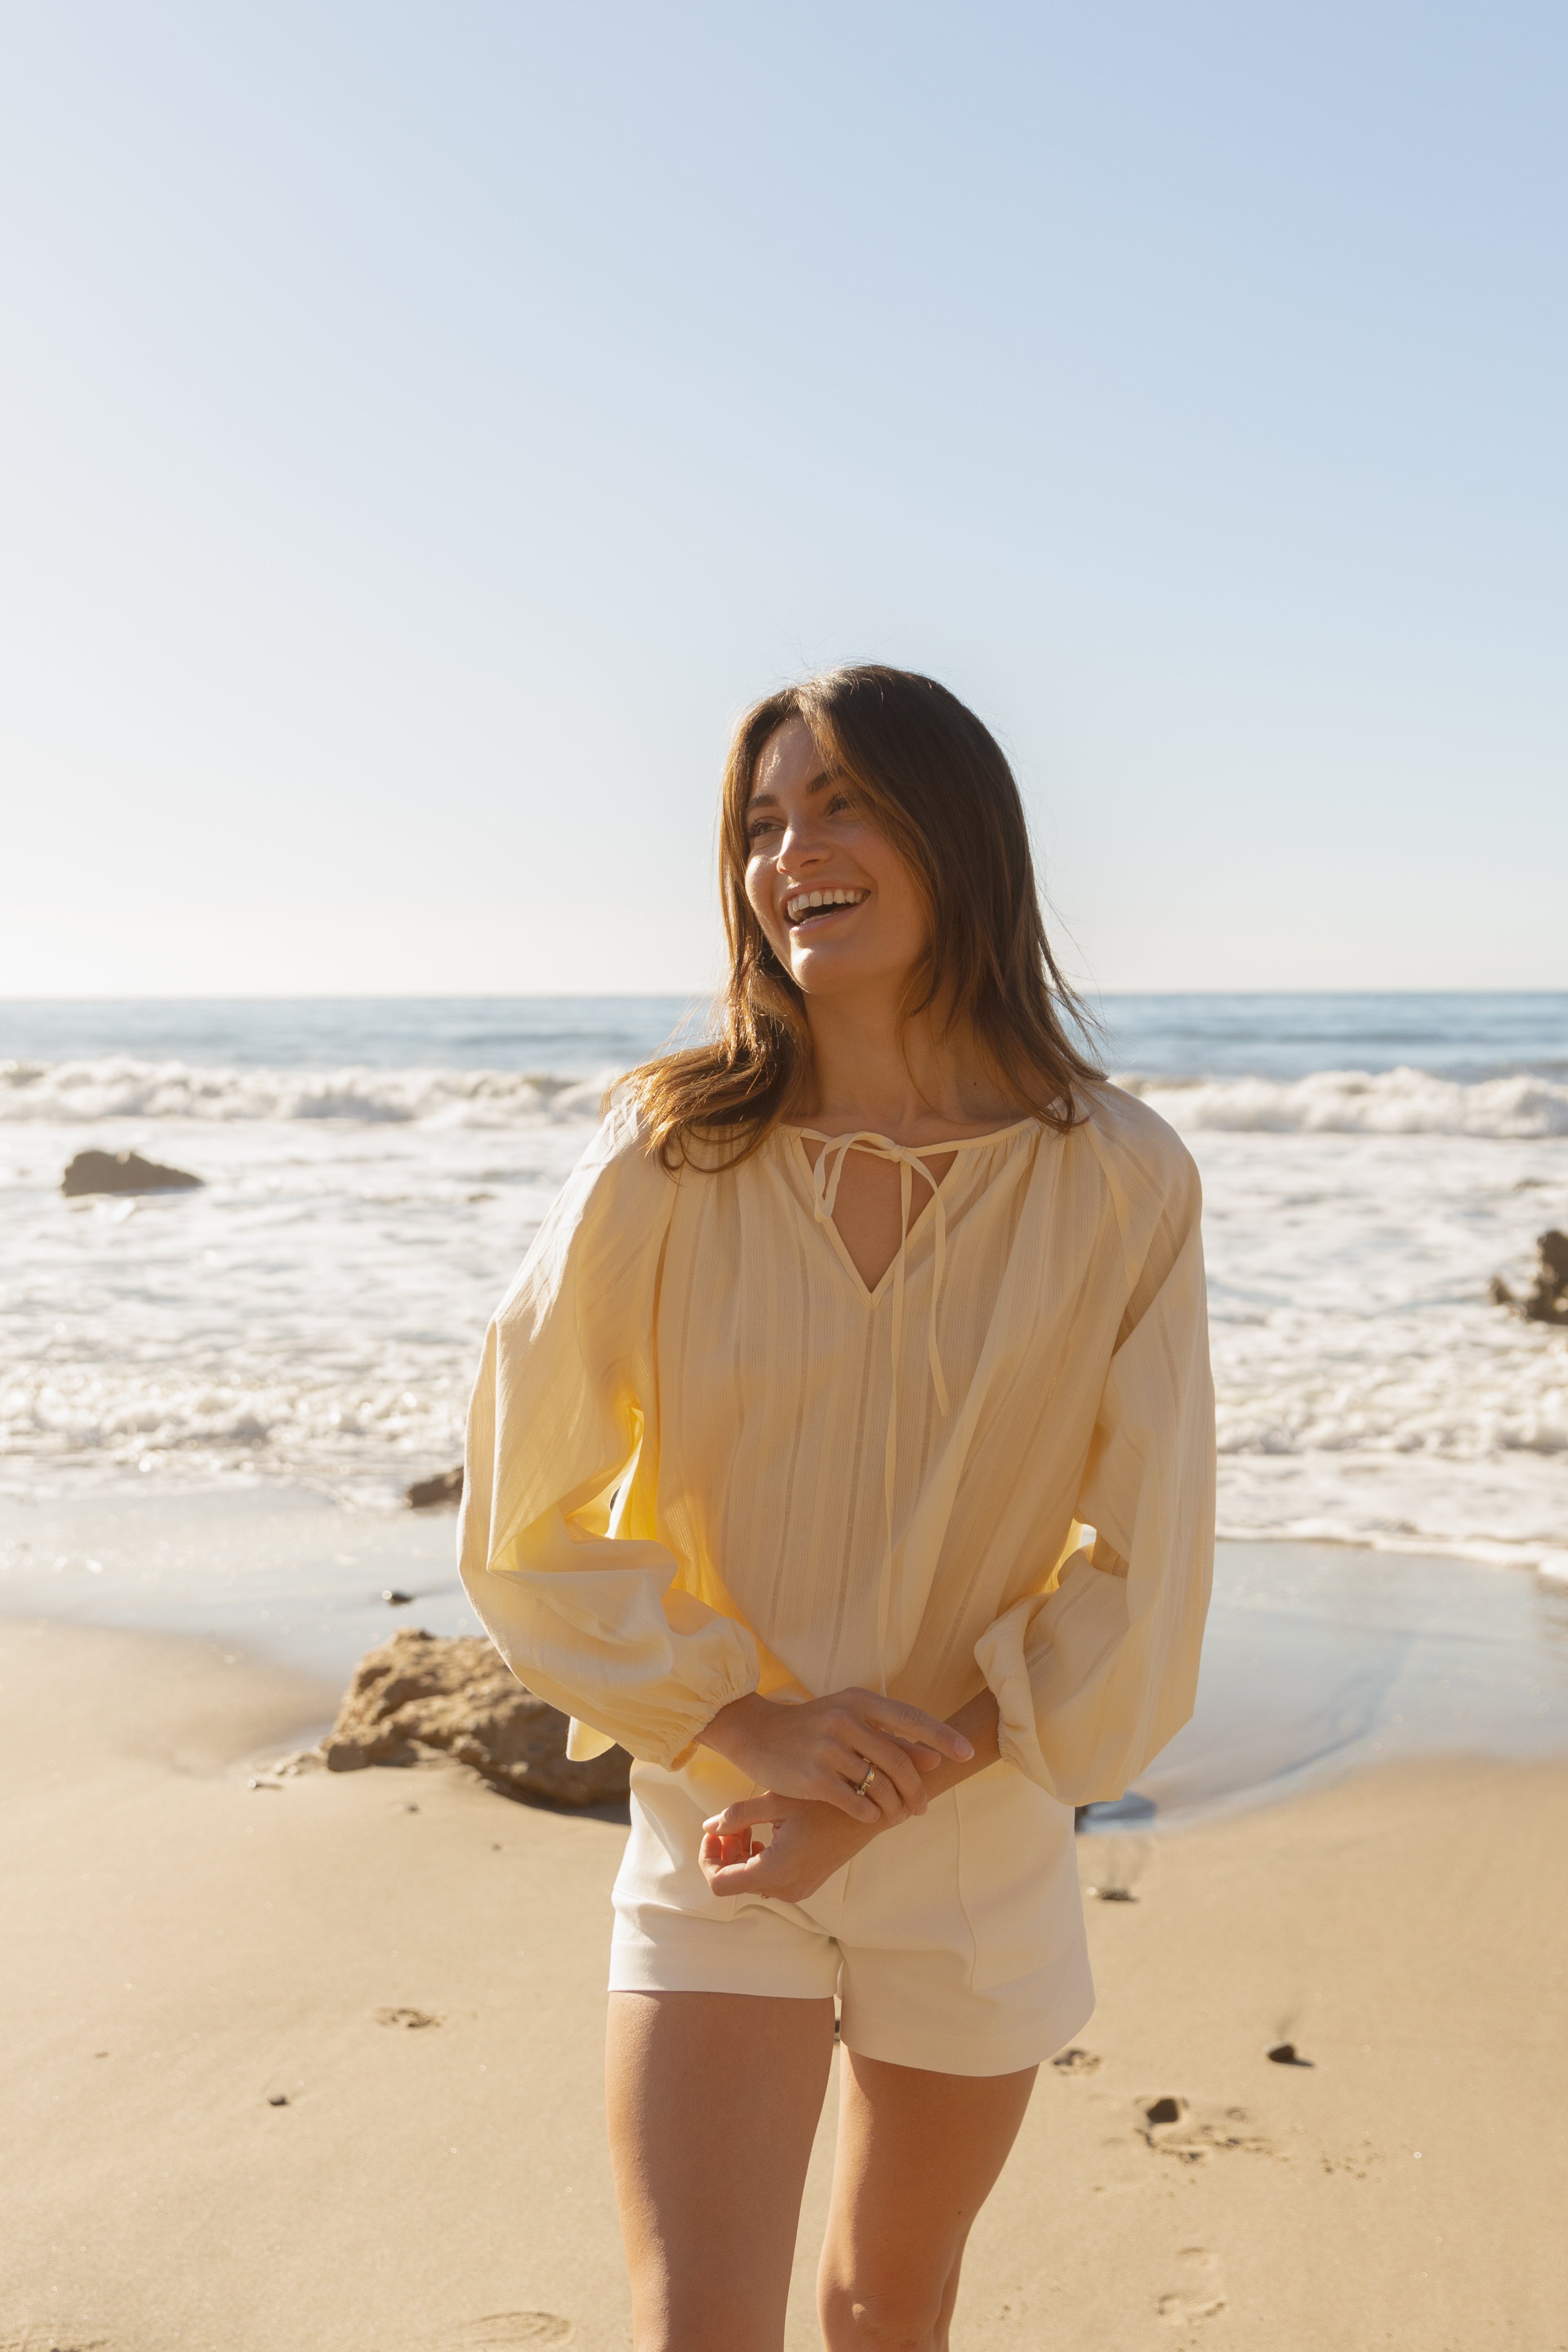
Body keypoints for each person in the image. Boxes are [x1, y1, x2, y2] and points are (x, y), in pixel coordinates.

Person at [458, 666, 1215, 2352]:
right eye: (761, 820)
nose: (793, 846)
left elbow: (1136, 1568)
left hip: (977, 1833)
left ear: (960, 832)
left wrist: (868, 1789)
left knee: (890, 2311)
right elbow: (533, 1499)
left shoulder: (1120, 1179)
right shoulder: (669, 1155)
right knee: (702, 2330)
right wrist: (745, 1722)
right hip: (718, 1826)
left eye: (842, 801)